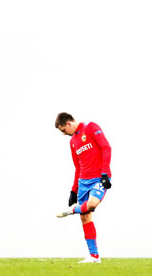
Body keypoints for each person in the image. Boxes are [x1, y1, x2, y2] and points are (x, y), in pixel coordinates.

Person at [55, 112, 112, 264]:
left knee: (92, 204)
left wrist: (105, 173)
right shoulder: (73, 141)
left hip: (98, 178)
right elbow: (77, 167)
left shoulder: (91, 127)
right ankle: (94, 256)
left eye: (63, 130)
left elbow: (106, 148)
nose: (64, 134)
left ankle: (71, 210)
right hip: (83, 182)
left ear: (68, 124)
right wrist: (73, 190)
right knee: (85, 216)